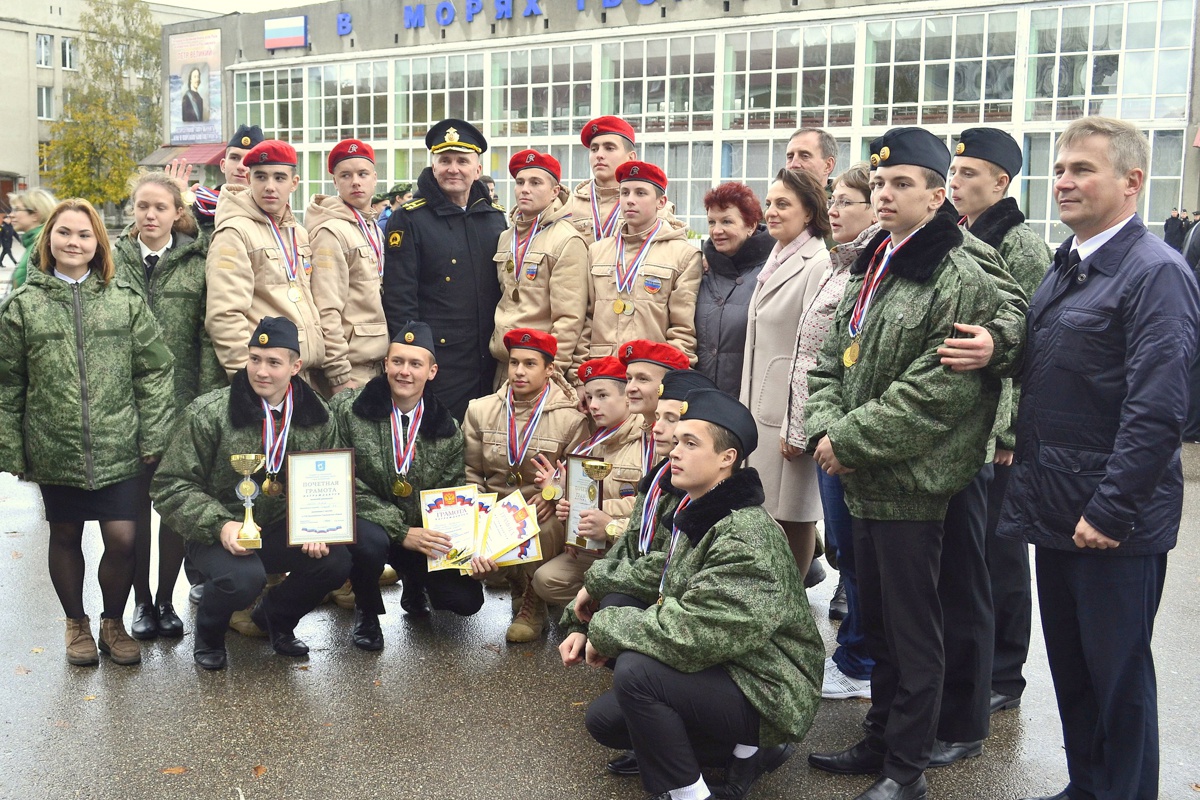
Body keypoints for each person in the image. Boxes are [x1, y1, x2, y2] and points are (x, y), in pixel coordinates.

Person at [998, 117, 1200, 800]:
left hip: (1112, 519)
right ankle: (1088, 785)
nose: (1063, 181)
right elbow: (1049, 364)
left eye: (1082, 168)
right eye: (1059, 168)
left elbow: (1158, 409)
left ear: (1131, 182)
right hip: (1057, 505)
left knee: (1119, 681)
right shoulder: (1070, 261)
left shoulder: (1155, 274)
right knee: (1076, 672)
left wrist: (1111, 509)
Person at [804, 127, 1008, 800]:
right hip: (864, 475)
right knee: (878, 620)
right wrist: (826, 430)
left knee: (916, 632)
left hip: (916, 483)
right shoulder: (878, 260)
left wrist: (848, 439)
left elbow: (936, 392)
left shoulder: (959, 270)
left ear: (935, 193)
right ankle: (882, 737)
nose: (885, 195)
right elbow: (833, 356)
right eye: (881, 184)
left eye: (902, 185)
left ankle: (907, 770)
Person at [581, 388, 823, 800]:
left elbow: (694, 633)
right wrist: (589, 597)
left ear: (727, 459)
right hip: (732, 662)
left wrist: (604, 626)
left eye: (690, 444)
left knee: (636, 672)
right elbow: (661, 573)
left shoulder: (744, 534)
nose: (674, 451)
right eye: (676, 441)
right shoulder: (706, 511)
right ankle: (722, 753)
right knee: (607, 720)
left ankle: (690, 792)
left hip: (769, 688)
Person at [0, 198, 175, 667]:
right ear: (49, 240)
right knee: (66, 535)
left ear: (98, 241)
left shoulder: (124, 300)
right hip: (55, 444)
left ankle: (112, 623)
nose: (73, 242)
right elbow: (9, 382)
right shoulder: (23, 306)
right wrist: (13, 448)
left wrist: (153, 435)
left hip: (120, 441)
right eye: (64, 233)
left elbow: (155, 371)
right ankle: (75, 623)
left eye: (83, 234)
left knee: (122, 538)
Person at [151, 317, 352, 670]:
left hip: (279, 528)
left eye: (273, 362)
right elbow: (169, 485)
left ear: (295, 366)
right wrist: (221, 525)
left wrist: (319, 527)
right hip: (216, 534)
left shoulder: (317, 416)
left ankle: (276, 619)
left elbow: (330, 482)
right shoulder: (209, 414)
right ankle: (210, 635)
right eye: (255, 359)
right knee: (243, 579)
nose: (261, 371)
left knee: (335, 561)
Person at [558, 366, 713, 778]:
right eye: (655, 418)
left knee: (611, 706)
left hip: (693, 631)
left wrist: (596, 606)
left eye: (671, 420)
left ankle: (733, 752)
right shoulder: (661, 478)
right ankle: (657, 733)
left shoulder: (708, 496)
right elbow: (630, 546)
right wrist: (579, 616)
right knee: (606, 608)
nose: (657, 428)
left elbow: (664, 568)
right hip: (663, 605)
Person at [948, 127, 1053, 720]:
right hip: (966, 425)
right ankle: (977, 663)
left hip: (999, 435)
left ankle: (1005, 673)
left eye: (969, 175)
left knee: (1002, 558)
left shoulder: (1019, 244)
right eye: (955, 174)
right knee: (972, 558)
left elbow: (1028, 347)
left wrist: (1009, 434)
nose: (957, 184)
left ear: (1001, 183)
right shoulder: (962, 235)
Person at [112, 171, 226, 641]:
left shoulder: (197, 261)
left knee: (175, 509)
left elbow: (206, 336)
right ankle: (140, 601)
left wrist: (202, 404)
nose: (151, 215)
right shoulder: (114, 262)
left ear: (178, 212)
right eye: (142, 207)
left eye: (160, 207)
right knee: (133, 509)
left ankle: (166, 598)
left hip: (181, 403)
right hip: (125, 406)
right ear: (132, 213)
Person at [783, 161, 879, 698]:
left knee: (857, 553)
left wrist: (830, 431)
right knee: (845, 547)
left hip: (849, 434)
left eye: (846, 200)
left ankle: (859, 660)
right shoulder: (844, 262)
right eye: (833, 199)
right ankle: (856, 654)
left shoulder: (869, 264)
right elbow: (816, 358)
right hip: (824, 427)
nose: (834, 209)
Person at [329, 321, 482, 647]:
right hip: (371, 527)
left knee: (467, 601)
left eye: (415, 364)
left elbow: (450, 495)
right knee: (368, 544)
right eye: (397, 361)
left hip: (418, 533)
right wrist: (401, 531)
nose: (404, 372)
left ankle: (415, 585)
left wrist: (471, 551)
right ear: (385, 364)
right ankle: (367, 613)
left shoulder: (447, 429)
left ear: (432, 371)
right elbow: (341, 482)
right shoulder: (348, 410)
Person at [463, 328, 588, 642]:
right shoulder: (480, 409)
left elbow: (579, 477)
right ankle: (517, 583)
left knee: (544, 525)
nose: (519, 371)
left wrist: (554, 491)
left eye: (530, 364)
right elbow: (471, 472)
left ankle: (533, 601)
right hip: (495, 509)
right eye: (514, 362)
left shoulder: (571, 419)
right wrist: (479, 514)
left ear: (549, 369)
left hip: (540, 511)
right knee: (473, 552)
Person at [382, 118, 507, 420]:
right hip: (438, 361)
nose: (453, 168)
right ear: (433, 166)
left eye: (463, 161)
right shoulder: (410, 219)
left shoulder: (494, 219)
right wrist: (414, 359)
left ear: (477, 169)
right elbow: (401, 298)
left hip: (488, 358)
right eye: (445, 160)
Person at [741, 168, 832, 578]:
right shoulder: (775, 257)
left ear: (810, 212)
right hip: (760, 406)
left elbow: (814, 351)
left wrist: (799, 424)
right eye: (770, 203)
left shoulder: (817, 263)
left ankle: (791, 609)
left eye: (783, 204)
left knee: (794, 515)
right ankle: (773, 602)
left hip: (788, 412)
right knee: (767, 512)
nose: (771, 212)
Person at [206, 139, 331, 391]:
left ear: (294, 183)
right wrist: (247, 381)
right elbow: (225, 315)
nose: (269, 187)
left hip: (304, 375)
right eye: (261, 177)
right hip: (266, 381)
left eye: (279, 178)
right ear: (249, 180)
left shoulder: (298, 232)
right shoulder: (234, 231)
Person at [530, 355, 644, 606]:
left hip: (631, 548)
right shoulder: (590, 446)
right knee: (546, 580)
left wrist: (600, 513)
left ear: (627, 397)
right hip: (593, 547)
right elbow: (575, 503)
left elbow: (650, 505)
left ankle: (611, 613)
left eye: (603, 396)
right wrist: (557, 493)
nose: (593, 405)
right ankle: (592, 611)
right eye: (590, 397)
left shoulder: (648, 442)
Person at [578, 161, 701, 369]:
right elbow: (585, 321)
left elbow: (682, 331)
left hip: (650, 374)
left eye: (640, 193)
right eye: (624, 193)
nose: (630, 200)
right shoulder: (597, 252)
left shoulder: (684, 255)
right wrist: (581, 376)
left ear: (661, 202)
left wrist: (667, 379)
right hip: (603, 374)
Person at [490, 149, 588, 379]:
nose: (525, 189)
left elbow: (569, 318)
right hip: (504, 364)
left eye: (535, 183)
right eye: (520, 182)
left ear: (555, 192)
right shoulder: (506, 237)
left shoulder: (567, 239)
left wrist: (553, 372)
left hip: (539, 369)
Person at [306, 139, 389, 392]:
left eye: (362, 174)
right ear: (335, 182)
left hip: (377, 364)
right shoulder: (330, 231)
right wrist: (339, 375)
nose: (355, 181)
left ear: (374, 178)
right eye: (346, 175)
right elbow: (326, 309)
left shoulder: (372, 227)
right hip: (351, 370)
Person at [696, 183, 773, 395]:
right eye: (711, 222)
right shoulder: (699, 271)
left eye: (727, 221)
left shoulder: (772, 272)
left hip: (749, 400)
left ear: (751, 225)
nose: (716, 230)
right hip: (700, 401)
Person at [618, 340, 692, 475]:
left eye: (643, 379)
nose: (630, 388)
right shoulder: (631, 432)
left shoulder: (679, 438)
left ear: (669, 385)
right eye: (629, 378)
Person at [173, 125, 266, 230]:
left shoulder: (270, 210)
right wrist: (176, 200)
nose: (240, 166)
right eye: (235, 158)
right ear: (223, 165)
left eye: (249, 161)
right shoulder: (203, 205)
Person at [566, 116, 641, 245]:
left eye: (609, 148)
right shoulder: (569, 206)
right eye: (594, 149)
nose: (599, 155)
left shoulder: (651, 206)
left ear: (631, 158)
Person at [6, 188, 56, 289]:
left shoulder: (40, 248)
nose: (11, 215)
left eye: (17, 209)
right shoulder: (35, 244)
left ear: (35, 215)